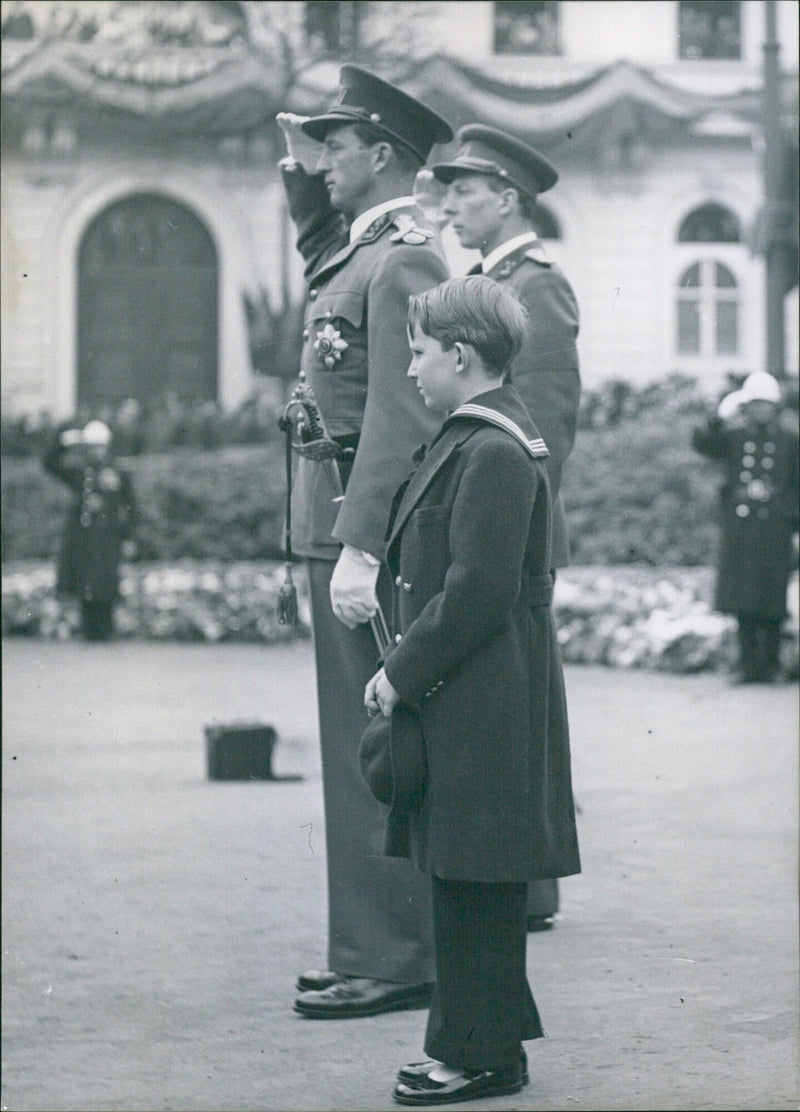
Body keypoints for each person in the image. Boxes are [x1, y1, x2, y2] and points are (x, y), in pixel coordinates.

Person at [364, 276, 581, 1105]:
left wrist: (399, 672)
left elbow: (476, 592)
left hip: (479, 687)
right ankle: (485, 1044)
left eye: (419, 353)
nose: (412, 369)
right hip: (478, 684)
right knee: (467, 874)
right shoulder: (485, 435)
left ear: (460, 353)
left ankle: (480, 1056)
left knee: (474, 876)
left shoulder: (490, 447)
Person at [276, 66, 454, 1019]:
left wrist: (362, 545)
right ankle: (371, 942)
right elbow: (314, 222)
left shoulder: (403, 260)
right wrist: (299, 156)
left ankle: (396, 952)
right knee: (354, 747)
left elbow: (399, 413)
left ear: (382, 154)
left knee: (374, 749)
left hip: (365, 539)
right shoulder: (358, 253)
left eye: (335, 148)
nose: (321, 165)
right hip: (334, 525)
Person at [431, 124, 581, 931]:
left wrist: (503, 526)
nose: (451, 205)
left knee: (518, 711)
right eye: (448, 190)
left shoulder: (536, 284)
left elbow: (546, 422)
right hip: (495, 525)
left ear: (508, 198)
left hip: (513, 532)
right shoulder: (493, 279)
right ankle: (524, 880)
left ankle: (528, 880)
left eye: (465, 191)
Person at [692, 372, 799, 683]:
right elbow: (702, 443)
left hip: (777, 527)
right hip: (742, 526)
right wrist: (720, 415)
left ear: (776, 407)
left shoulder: (790, 442)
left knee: (773, 598)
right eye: (753, 404)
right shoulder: (735, 437)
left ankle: (772, 665)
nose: (760, 411)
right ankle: (747, 665)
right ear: (745, 407)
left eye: (765, 405)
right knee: (744, 599)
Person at [43, 419, 137, 641]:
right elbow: (50, 464)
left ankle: (106, 630)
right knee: (85, 583)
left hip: (108, 536)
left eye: (100, 446)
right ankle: (89, 630)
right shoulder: (80, 472)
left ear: (107, 446)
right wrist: (63, 442)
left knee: (106, 584)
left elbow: (132, 507)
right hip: (84, 537)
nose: (96, 451)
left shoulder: (119, 472)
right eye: (92, 447)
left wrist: (129, 537)